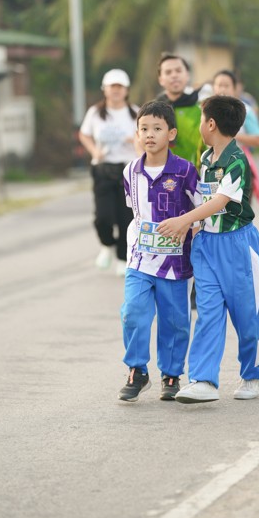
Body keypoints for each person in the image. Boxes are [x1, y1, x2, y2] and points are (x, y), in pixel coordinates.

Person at [157, 95, 259, 403]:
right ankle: (203, 380)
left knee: (247, 315)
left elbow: (219, 201)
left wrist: (183, 220)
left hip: (237, 245)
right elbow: (202, 200)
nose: (200, 126)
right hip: (205, 244)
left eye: (202, 120)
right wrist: (190, 227)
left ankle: (252, 374)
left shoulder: (237, 160)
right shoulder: (205, 159)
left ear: (211, 124)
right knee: (207, 313)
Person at [118, 100, 201, 402]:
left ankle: (171, 373)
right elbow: (135, 211)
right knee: (133, 312)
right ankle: (137, 371)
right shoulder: (130, 171)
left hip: (176, 263)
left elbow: (201, 211)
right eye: (144, 129)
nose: (150, 134)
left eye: (157, 128)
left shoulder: (185, 171)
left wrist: (188, 228)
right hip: (139, 258)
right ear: (137, 134)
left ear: (171, 133)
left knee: (175, 320)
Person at [79, 69, 139, 276]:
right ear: (104, 89)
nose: (116, 90)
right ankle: (107, 244)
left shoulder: (135, 113)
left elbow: (146, 136)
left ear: (126, 90)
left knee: (125, 217)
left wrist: (134, 140)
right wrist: (93, 151)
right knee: (103, 217)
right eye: (112, 86)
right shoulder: (95, 113)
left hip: (128, 170)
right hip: (103, 169)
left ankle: (122, 258)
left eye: (120, 87)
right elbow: (84, 134)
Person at [212, 69, 259, 202]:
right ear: (213, 87)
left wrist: (230, 135)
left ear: (235, 89)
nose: (222, 89)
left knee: (240, 207)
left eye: (226, 85)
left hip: (239, 166)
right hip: (213, 168)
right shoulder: (206, 111)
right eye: (219, 85)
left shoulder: (245, 111)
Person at [157, 52, 206, 167]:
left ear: (187, 75)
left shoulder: (202, 110)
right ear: (160, 79)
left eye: (178, 71)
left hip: (194, 173)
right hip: (161, 173)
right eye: (168, 72)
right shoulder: (153, 111)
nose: (174, 75)